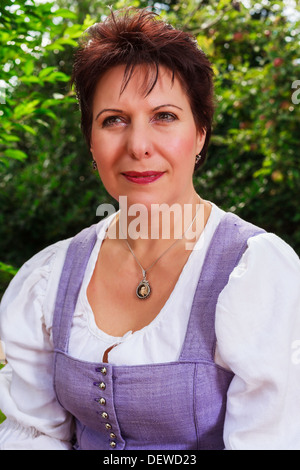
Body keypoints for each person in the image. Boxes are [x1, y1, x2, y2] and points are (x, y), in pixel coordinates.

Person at [0, 7, 300, 451]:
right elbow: (32, 436)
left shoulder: (256, 272)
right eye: (113, 120)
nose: (139, 146)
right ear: (91, 141)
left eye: (164, 116)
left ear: (199, 133)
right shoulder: (50, 278)